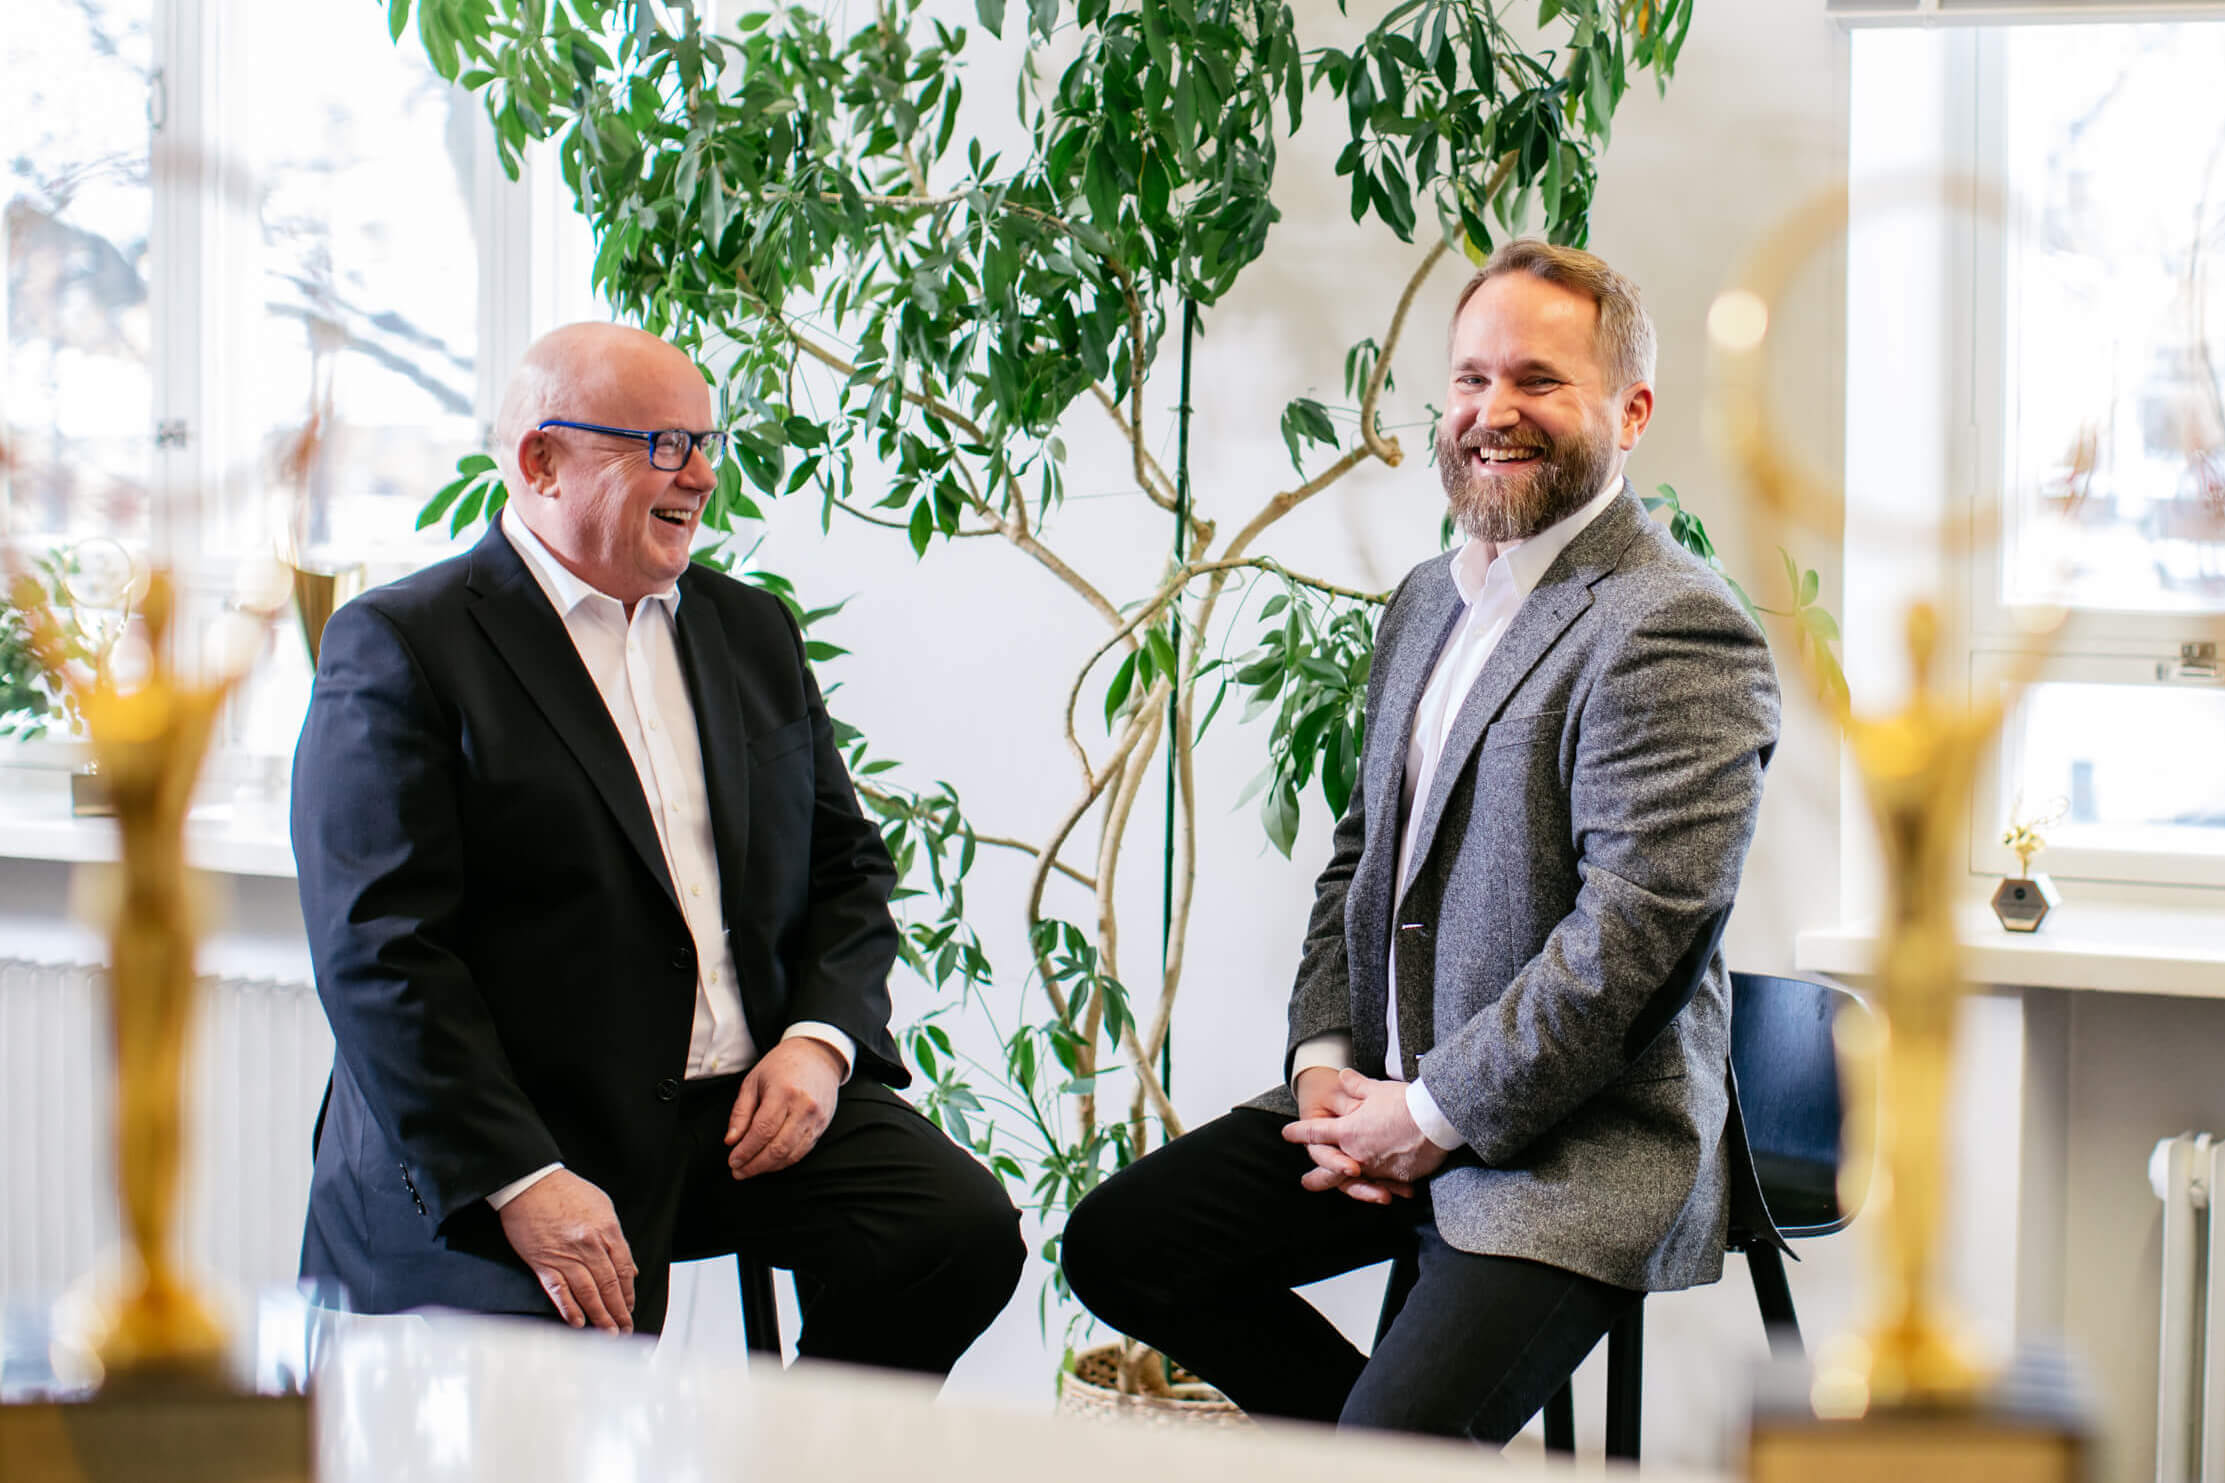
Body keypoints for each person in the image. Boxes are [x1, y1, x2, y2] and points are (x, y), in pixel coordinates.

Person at [1061, 241, 1782, 1439]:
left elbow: (1630, 943)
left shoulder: (1673, 626)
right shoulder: (1424, 600)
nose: (1492, 413)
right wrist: (1324, 1064)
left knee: (1382, 1448)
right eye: (1468, 379)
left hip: (1568, 1148)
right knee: (1123, 1246)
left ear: (1630, 409)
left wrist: (1429, 1113)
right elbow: (1360, 858)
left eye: (1538, 381)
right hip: (1383, 1104)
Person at [292, 323, 1023, 1371]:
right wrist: (521, 1180)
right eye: (664, 445)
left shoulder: (749, 629)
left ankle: (797, 1463)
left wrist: (819, 1039)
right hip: (522, 1127)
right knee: (570, 1387)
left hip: (736, 1108)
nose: (704, 475)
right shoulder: (403, 643)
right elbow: (379, 951)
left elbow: (846, 867)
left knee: (949, 1234)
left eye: (705, 442)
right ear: (542, 460)